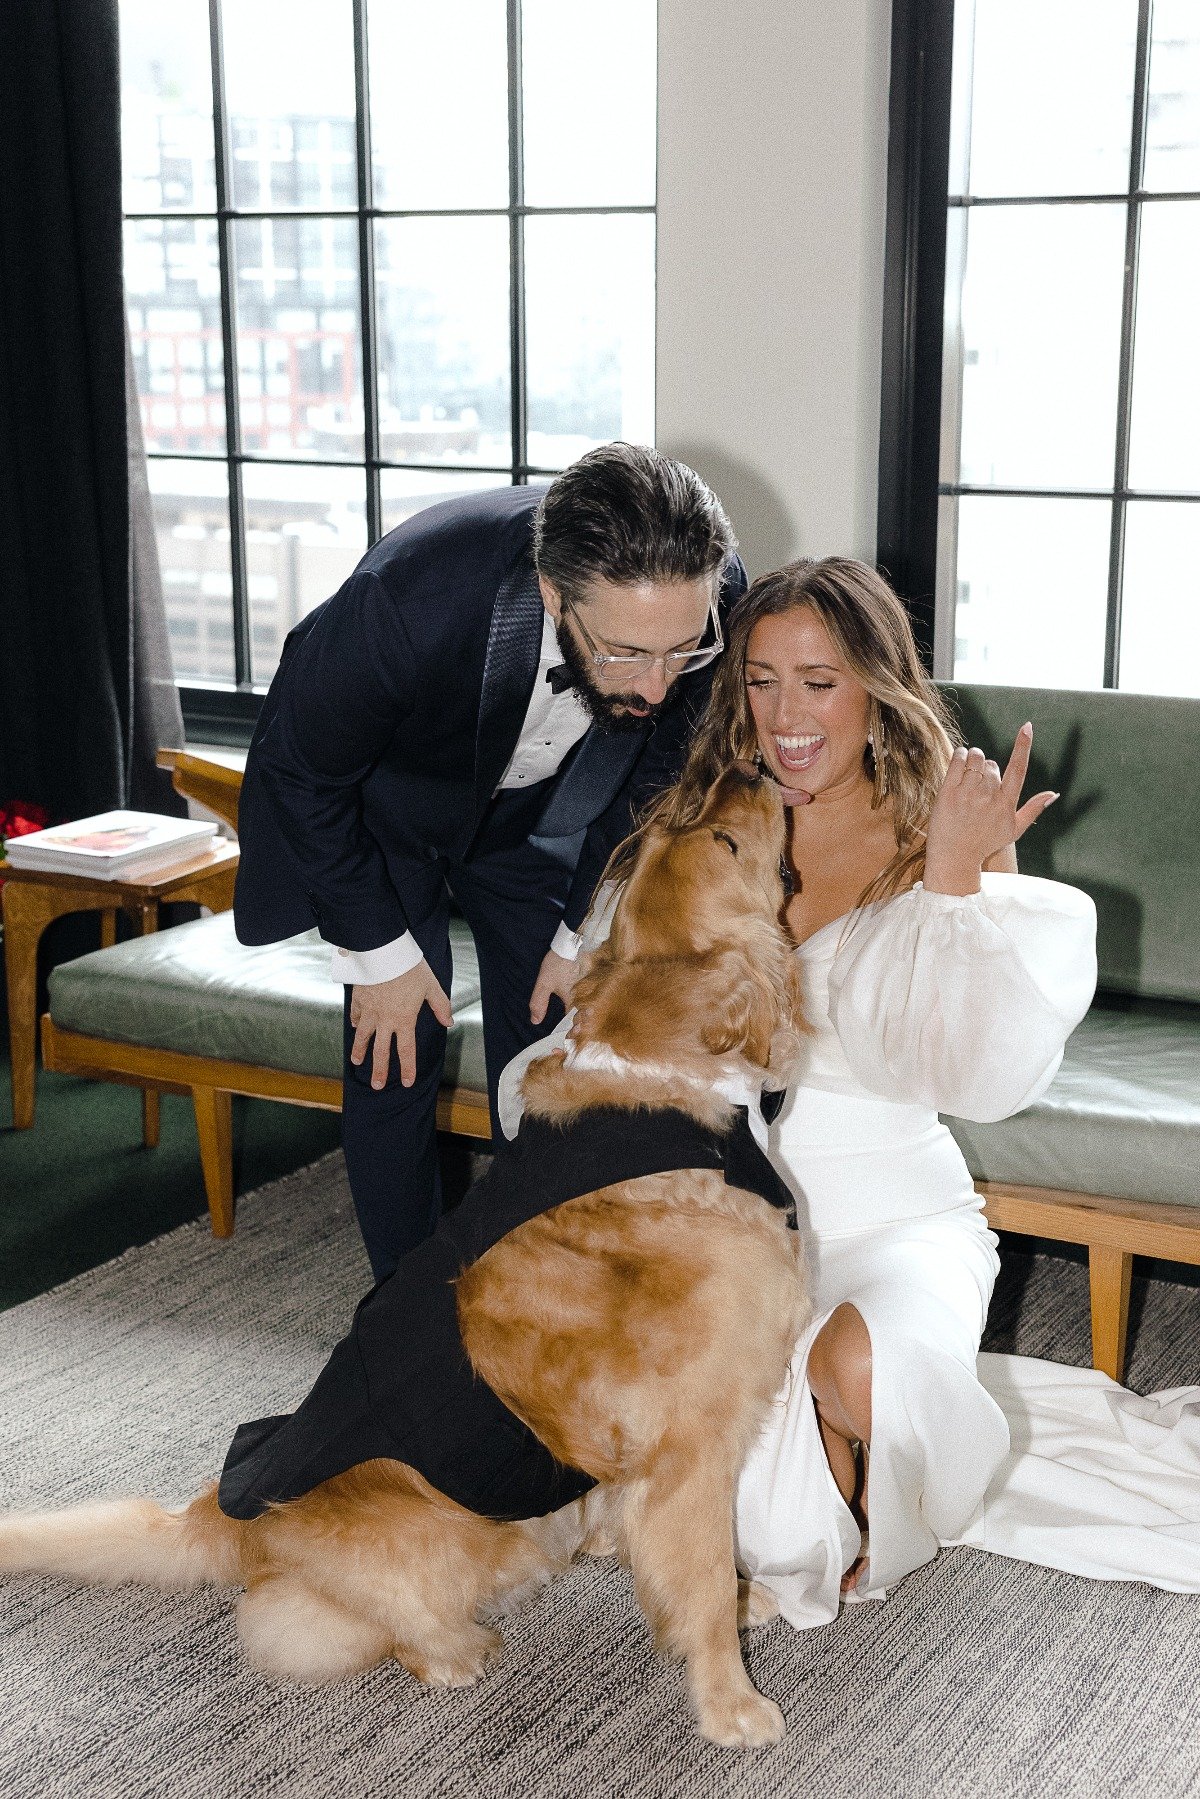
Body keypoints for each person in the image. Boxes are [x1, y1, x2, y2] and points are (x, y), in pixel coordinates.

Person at [501, 556, 1200, 1622]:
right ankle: (832, 1466)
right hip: (720, 1225)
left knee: (867, 1373)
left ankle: (870, 1440)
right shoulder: (702, 825)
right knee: (771, 1535)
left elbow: (983, 1078)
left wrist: (959, 883)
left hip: (896, 1212)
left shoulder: (943, 831)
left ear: (875, 686)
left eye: (819, 680)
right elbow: (612, 1041)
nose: (787, 712)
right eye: (762, 679)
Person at [233, 444, 745, 1280]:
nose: (656, 688)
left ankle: (538, 1285)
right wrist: (382, 957)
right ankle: (408, 1309)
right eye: (625, 653)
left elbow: (655, 778)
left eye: (678, 652)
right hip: (385, 811)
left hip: (531, 818)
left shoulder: (707, 594)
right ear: (553, 593)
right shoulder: (411, 596)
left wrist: (582, 930)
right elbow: (304, 769)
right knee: (395, 1048)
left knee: (559, 1042)